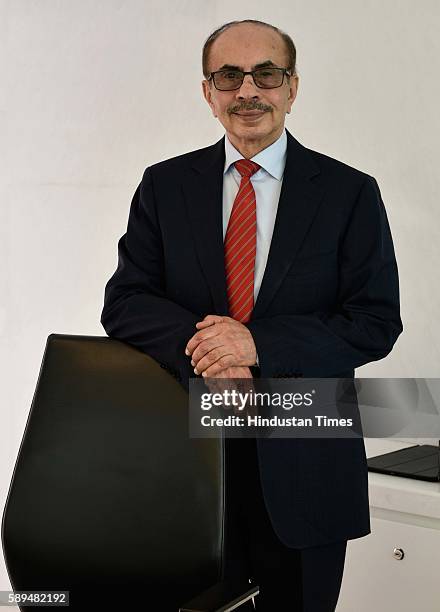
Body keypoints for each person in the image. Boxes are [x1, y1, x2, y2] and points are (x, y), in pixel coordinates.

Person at [101, 19, 402, 611]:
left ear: (291, 88)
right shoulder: (164, 186)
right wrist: (212, 348)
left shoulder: (349, 193)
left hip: (307, 461)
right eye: (229, 76)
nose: (248, 92)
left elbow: (374, 321)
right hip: (189, 465)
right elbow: (126, 301)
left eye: (266, 74)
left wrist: (256, 344)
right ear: (207, 91)